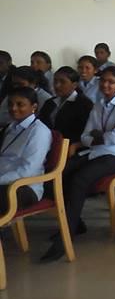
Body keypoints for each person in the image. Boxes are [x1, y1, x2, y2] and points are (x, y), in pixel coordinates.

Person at [41, 66, 115, 262]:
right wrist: (97, 137)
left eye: (111, 82)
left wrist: (98, 136)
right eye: (103, 81)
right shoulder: (99, 105)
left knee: (80, 179)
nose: (105, 85)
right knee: (59, 172)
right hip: (96, 151)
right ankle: (77, 224)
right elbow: (85, 136)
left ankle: (66, 235)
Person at [0, 87, 53, 220]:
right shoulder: (11, 127)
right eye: (10, 104)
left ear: (34, 106)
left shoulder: (39, 132)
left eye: (20, 104)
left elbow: (28, 170)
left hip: (23, 186)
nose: (13, 108)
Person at [39, 67, 94, 152]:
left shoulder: (84, 104)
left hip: (69, 148)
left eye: (62, 82)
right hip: (45, 144)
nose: (57, 85)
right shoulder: (50, 103)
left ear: (74, 85)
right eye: (55, 81)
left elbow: (84, 133)